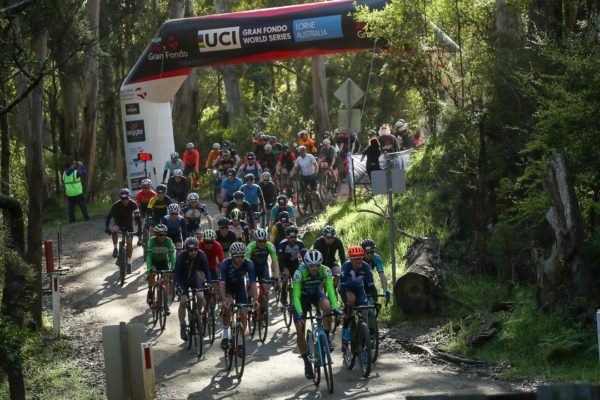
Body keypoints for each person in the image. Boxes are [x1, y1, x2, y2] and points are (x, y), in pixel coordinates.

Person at [292, 250, 340, 378]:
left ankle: (326, 338)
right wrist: (301, 314)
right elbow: (295, 296)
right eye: (311, 265)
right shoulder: (299, 273)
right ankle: (307, 363)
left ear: (321, 263)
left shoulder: (326, 270)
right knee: (300, 330)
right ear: (306, 264)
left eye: (317, 265)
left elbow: (330, 289)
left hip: (315, 294)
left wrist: (336, 307)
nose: (315, 268)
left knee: (327, 308)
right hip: (301, 298)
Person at [219, 241, 258, 350]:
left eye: (242, 256)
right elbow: (221, 284)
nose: (240, 259)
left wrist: (255, 300)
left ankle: (240, 339)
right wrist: (223, 300)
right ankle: (225, 334)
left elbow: (253, 283)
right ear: (231, 256)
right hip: (228, 287)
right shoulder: (225, 264)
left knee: (244, 314)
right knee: (228, 305)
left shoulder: (249, 264)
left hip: (240, 287)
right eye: (237, 257)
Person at [338, 245, 379, 346]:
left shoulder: (366, 267)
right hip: (346, 289)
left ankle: (364, 343)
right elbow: (342, 287)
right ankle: (346, 326)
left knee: (364, 311)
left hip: (359, 290)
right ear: (351, 259)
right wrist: (346, 303)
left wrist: (375, 301)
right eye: (356, 259)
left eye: (360, 258)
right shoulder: (346, 266)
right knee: (351, 301)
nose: (358, 261)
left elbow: (372, 286)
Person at [175, 236, 211, 340]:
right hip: (182, 280)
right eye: (191, 250)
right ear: (186, 249)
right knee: (183, 301)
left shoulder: (202, 255)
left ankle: (198, 316)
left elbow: (207, 271)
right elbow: (176, 275)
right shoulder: (181, 256)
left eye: (196, 249)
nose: (193, 252)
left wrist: (208, 283)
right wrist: (179, 287)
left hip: (193, 279)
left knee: (200, 296)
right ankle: (182, 325)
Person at [245, 228, 279, 321]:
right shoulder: (250, 246)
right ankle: (248, 300)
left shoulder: (270, 246)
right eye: (260, 241)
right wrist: (247, 277)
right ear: (255, 240)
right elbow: (245, 263)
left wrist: (276, 276)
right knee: (249, 285)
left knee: (266, 291)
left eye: (264, 241)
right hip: (251, 268)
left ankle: (263, 313)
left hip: (263, 268)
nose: (262, 243)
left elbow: (274, 261)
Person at [104, 188, 141, 273]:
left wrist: (139, 231)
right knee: (114, 230)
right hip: (118, 223)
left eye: (126, 199)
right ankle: (115, 248)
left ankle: (128, 263)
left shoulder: (133, 204)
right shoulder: (116, 205)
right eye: (122, 199)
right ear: (120, 198)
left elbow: (138, 218)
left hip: (129, 225)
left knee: (129, 242)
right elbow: (109, 217)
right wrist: (107, 227)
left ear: (129, 197)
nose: (125, 201)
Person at [145, 223, 176, 313]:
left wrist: (174, 267)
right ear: (156, 234)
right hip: (154, 262)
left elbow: (171, 256)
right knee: (152, 274)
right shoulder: (152, 241)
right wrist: (149, 268)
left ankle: (165, 303)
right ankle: (150, 291)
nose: (162, 236)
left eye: (164, 234)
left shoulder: (169, 241)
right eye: (160, 234)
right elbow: (149, 256)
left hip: (163, 262)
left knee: (166, 279)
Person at [277, 226, 306, 305]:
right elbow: (281, 259)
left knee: (298, 280)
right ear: (287, 237)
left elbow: (305, 257)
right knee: (285, 279)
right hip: (284, 263)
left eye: (295, 237)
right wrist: (283, 271)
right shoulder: (283, 244)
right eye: (291, 237)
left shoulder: (300, 243)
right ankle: (283, 296)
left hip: (295, 263)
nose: (293, 239)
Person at [198, 229, 224, 310]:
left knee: (213, 288)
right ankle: (203, 301)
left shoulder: (217, 246)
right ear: (203, 241)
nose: (209, 244)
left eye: (211, 242)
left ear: (214, 242)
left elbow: (222, 261)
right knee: (201, 282)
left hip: (212, 267)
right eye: (207, 242)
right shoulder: (199, 245)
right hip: (201, 267)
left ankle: (213, 303)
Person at [134, 178, 156, 245]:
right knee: (141, 220)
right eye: (144, 187)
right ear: (142, 187)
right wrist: (136, 214)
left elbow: (156, 203)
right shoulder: (139, 194)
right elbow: (136, 205)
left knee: (154, 219)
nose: (146, 189)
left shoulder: (153, 194)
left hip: (150, 207)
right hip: (142, 207)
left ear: (150, 187)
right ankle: (140, 238)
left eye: (148, 187)